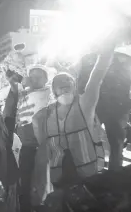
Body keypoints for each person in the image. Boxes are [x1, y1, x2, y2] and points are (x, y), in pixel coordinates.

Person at [31, 43, 116, 207]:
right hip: (59, 179)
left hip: (87, 177)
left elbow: (97, 77)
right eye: (59, 84)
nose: (64, 85)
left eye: (68, 82)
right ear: (53, 91)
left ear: (74, 86)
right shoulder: (46, 114)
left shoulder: (84, 104)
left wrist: (105, 53)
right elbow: (42, 145)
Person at [16, 65, 53, 212]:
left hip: (39, 144)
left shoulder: (47, 93)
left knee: (40, 181)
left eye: (38, 77)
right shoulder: (25, 93)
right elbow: (0, 95)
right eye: (32, 77)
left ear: (46, 79)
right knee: (24, 181)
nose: (35, 80)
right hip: (23, 144)